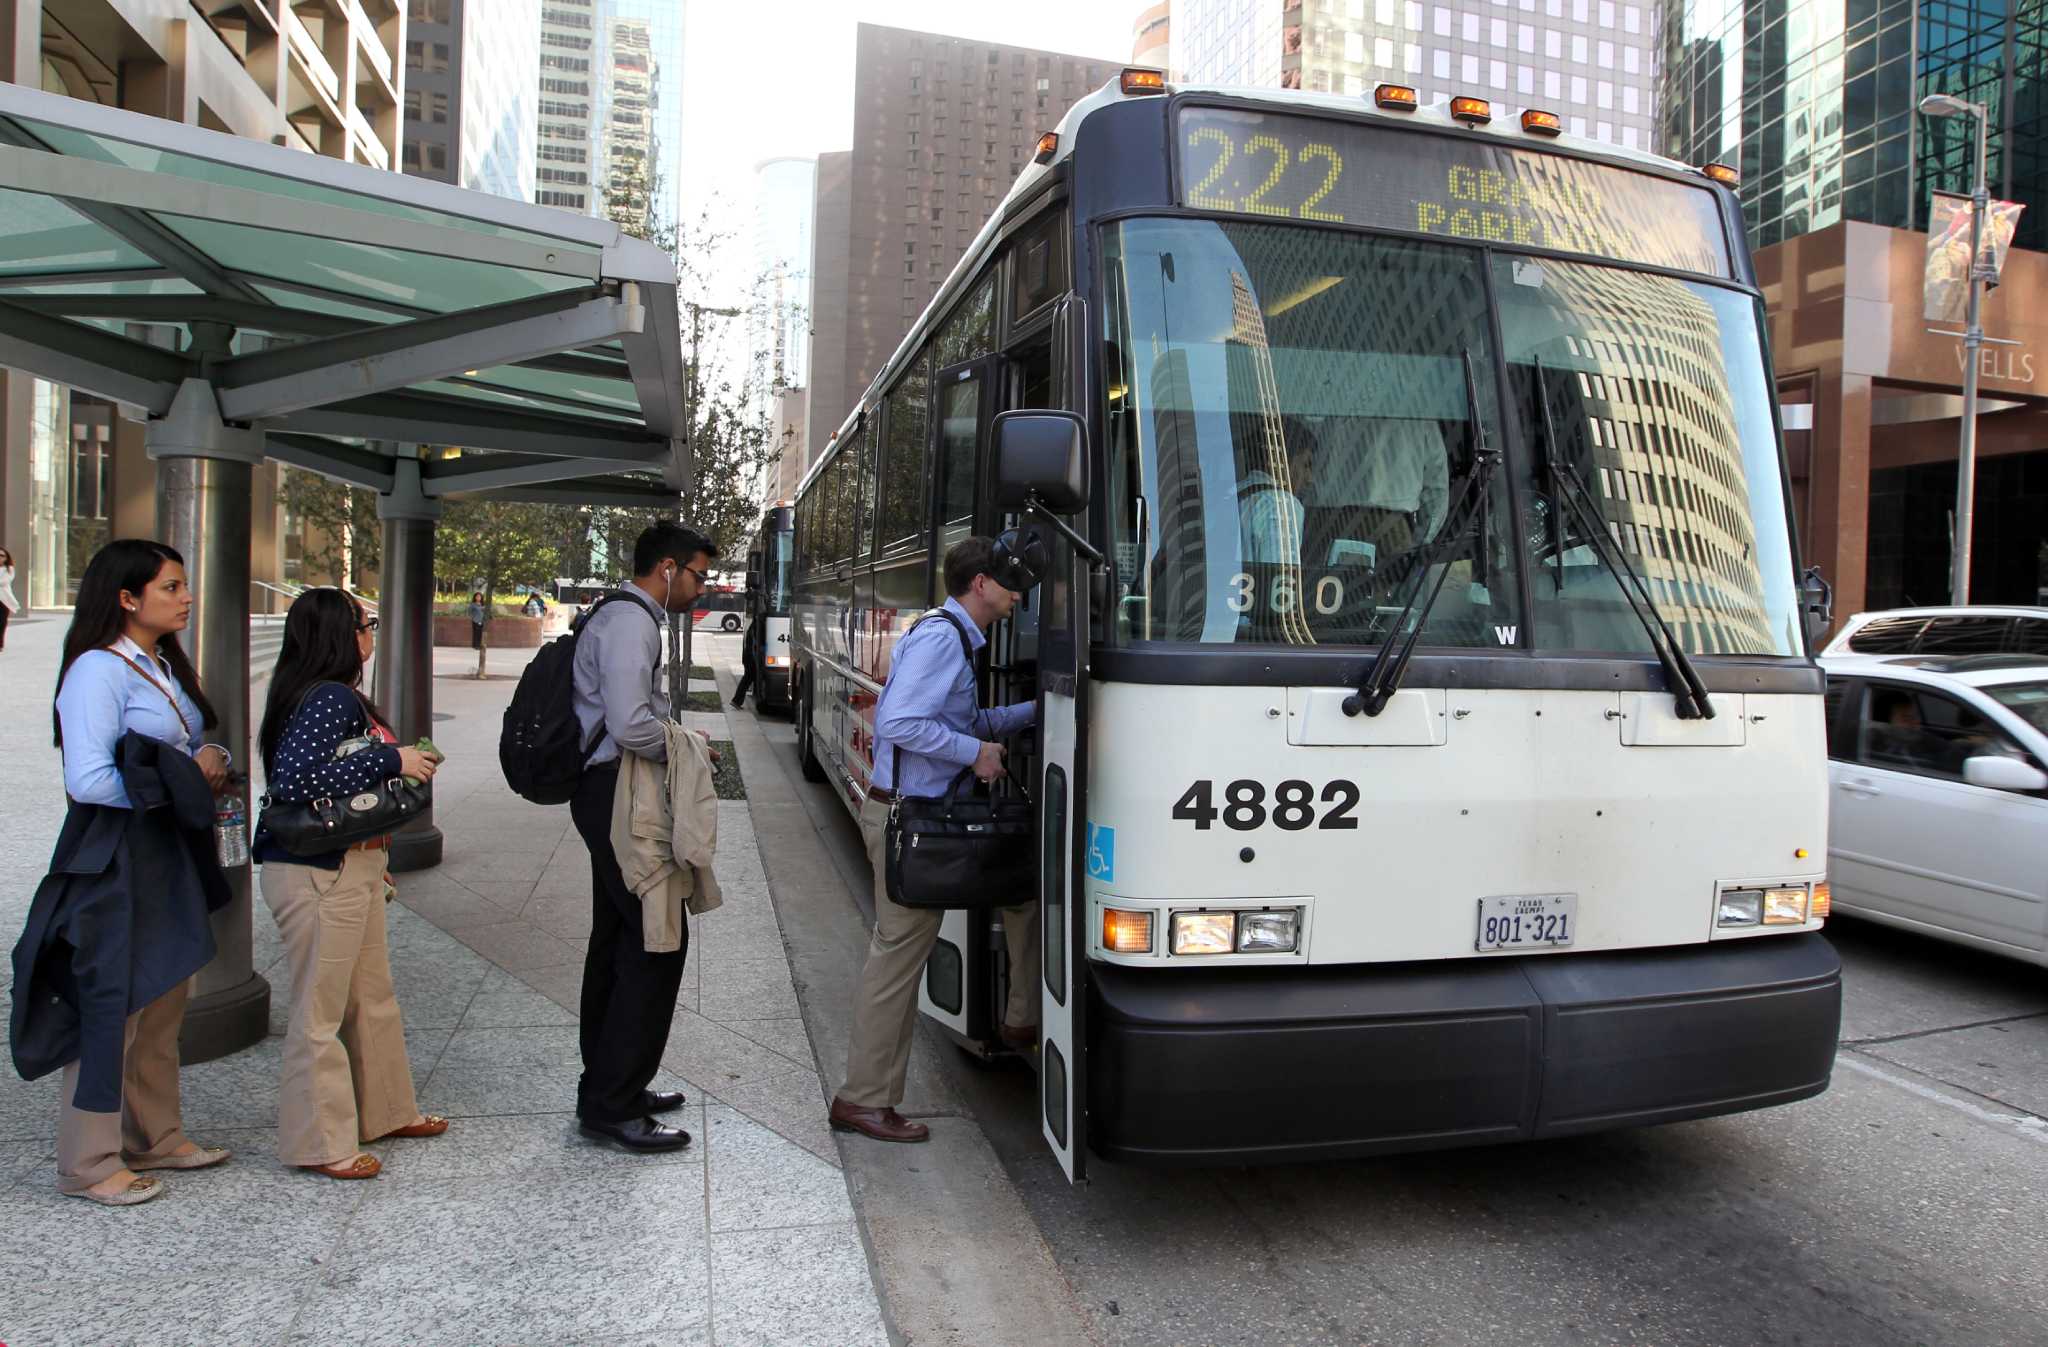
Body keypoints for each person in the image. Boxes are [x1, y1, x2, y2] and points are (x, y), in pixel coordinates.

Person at [25, 538, 234, 1206]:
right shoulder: (98, 670)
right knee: (112, 999)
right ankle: (88, 1161)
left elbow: (187, 739)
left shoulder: (159, 665)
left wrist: (209, 758)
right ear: (126, 596)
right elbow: (88, 778)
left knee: (165, 991)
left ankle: (155, 1132)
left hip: (165, 846)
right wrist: (181, 786)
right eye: (171, 586)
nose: (185, 596)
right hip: (118, 850)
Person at [829, 536, 1042, 1144]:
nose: (1017, 594)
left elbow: (952, 722)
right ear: (980, 585)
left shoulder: (951, 637)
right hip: (913, 824)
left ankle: (1020, 1018)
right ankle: (863, 1100)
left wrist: (1029, 713)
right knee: (896, 961)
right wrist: (974, 753)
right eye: (1008, 583)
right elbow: (899, 722)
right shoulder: (942, 638)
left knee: (1022, 895)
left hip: (925, 820)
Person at [253, 588, 449, 1180]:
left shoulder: (313, 694)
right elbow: (295, 779)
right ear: (343, 637)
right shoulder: (331, 696)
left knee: (371, 996)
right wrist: (394, 761)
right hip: (320, 871)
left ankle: (388, 1110)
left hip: (349, 864)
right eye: (365, 625)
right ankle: (322, 1143)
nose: (371, 635)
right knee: (320, 1010)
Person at [570, 520, 718, 1153]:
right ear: (667, 568)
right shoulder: (632, 622)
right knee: (654, 942)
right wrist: (684, 747)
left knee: (617, 937)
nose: (701, 588)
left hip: (607, 793)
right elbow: (631, 724)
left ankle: (610, 1085)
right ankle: (614, 1102)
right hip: (617, 796)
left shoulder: (618, 616)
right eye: (698, 575)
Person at [731, 612, 759, 709]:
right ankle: (736, 701)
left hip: (748, 657)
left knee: (746, 680)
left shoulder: (752, 628)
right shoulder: (755, 629)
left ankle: (737, 701)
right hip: (750, 658)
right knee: (747, 680)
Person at [0, 544, 17, 650]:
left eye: (2, 555)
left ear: (6, 558)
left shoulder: (9, 569)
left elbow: (4, 581)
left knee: (1, 621)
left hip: (4, 600)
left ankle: (0, 643)